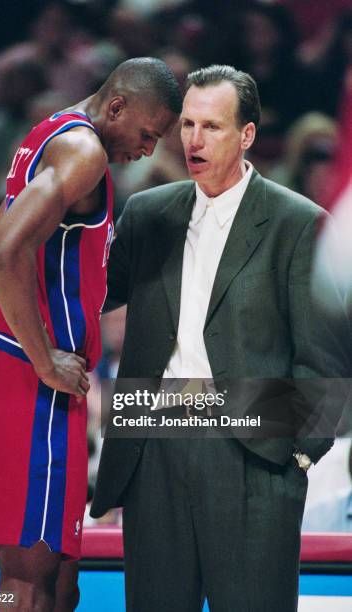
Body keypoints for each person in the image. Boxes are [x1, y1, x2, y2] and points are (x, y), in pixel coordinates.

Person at [91, 65, 351, 611]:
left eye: (211, 126)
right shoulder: (146, 213)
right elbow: (90, 298)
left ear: (247, 134)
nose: (194, 140)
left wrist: (295, 461)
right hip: (153, 441)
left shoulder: (298, 223)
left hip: (254, 455)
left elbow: (325, 364)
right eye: (186, 124)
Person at [0, 57, 181, 611]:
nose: (148, 151)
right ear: (116, 107)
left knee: (61, 581)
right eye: (146, 134)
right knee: (28, 577)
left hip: (28, 369)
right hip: (34, 377)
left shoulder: (51, 134)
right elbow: (2, 249)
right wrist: (37, 359)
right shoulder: (83, 152)